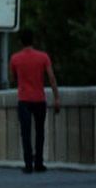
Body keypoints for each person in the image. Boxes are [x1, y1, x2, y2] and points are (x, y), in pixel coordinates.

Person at [8, 29, 60, 173]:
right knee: (39, 131)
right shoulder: (43, 57)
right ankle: (39, 162)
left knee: (25, 133)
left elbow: (12, 78)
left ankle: (28, 164)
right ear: (33, 40)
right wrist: (56, 97)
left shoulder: (15, 58)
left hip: (24, 99)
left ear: (21, 42)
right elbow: (51, 78)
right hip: (39, 98)